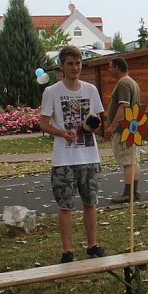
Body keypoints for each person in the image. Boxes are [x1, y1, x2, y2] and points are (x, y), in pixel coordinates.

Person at [39, 45, 106, 263]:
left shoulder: (91, 90)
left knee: (90, 202)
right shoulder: (52, 92)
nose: (75, 67)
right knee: (65, 206)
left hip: (89, 156)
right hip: (64, 160)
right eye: (70, 63)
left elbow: (98, 119)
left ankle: (92, 245)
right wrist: (61, 133)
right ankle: (67, 251)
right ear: (62, 66)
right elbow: (43, 124)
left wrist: (94, 126)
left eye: (78, 63)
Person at [103, 57, 142, 203]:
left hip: (124, 129)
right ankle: (134, 191)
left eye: (110, 67)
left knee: (128, 160)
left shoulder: (124, 83)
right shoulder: (132, 82)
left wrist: (113, 126)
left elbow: (124, 106)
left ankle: (128, 194)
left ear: (118, 67)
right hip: (133, 127)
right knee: (133, 159)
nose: (108, 70)